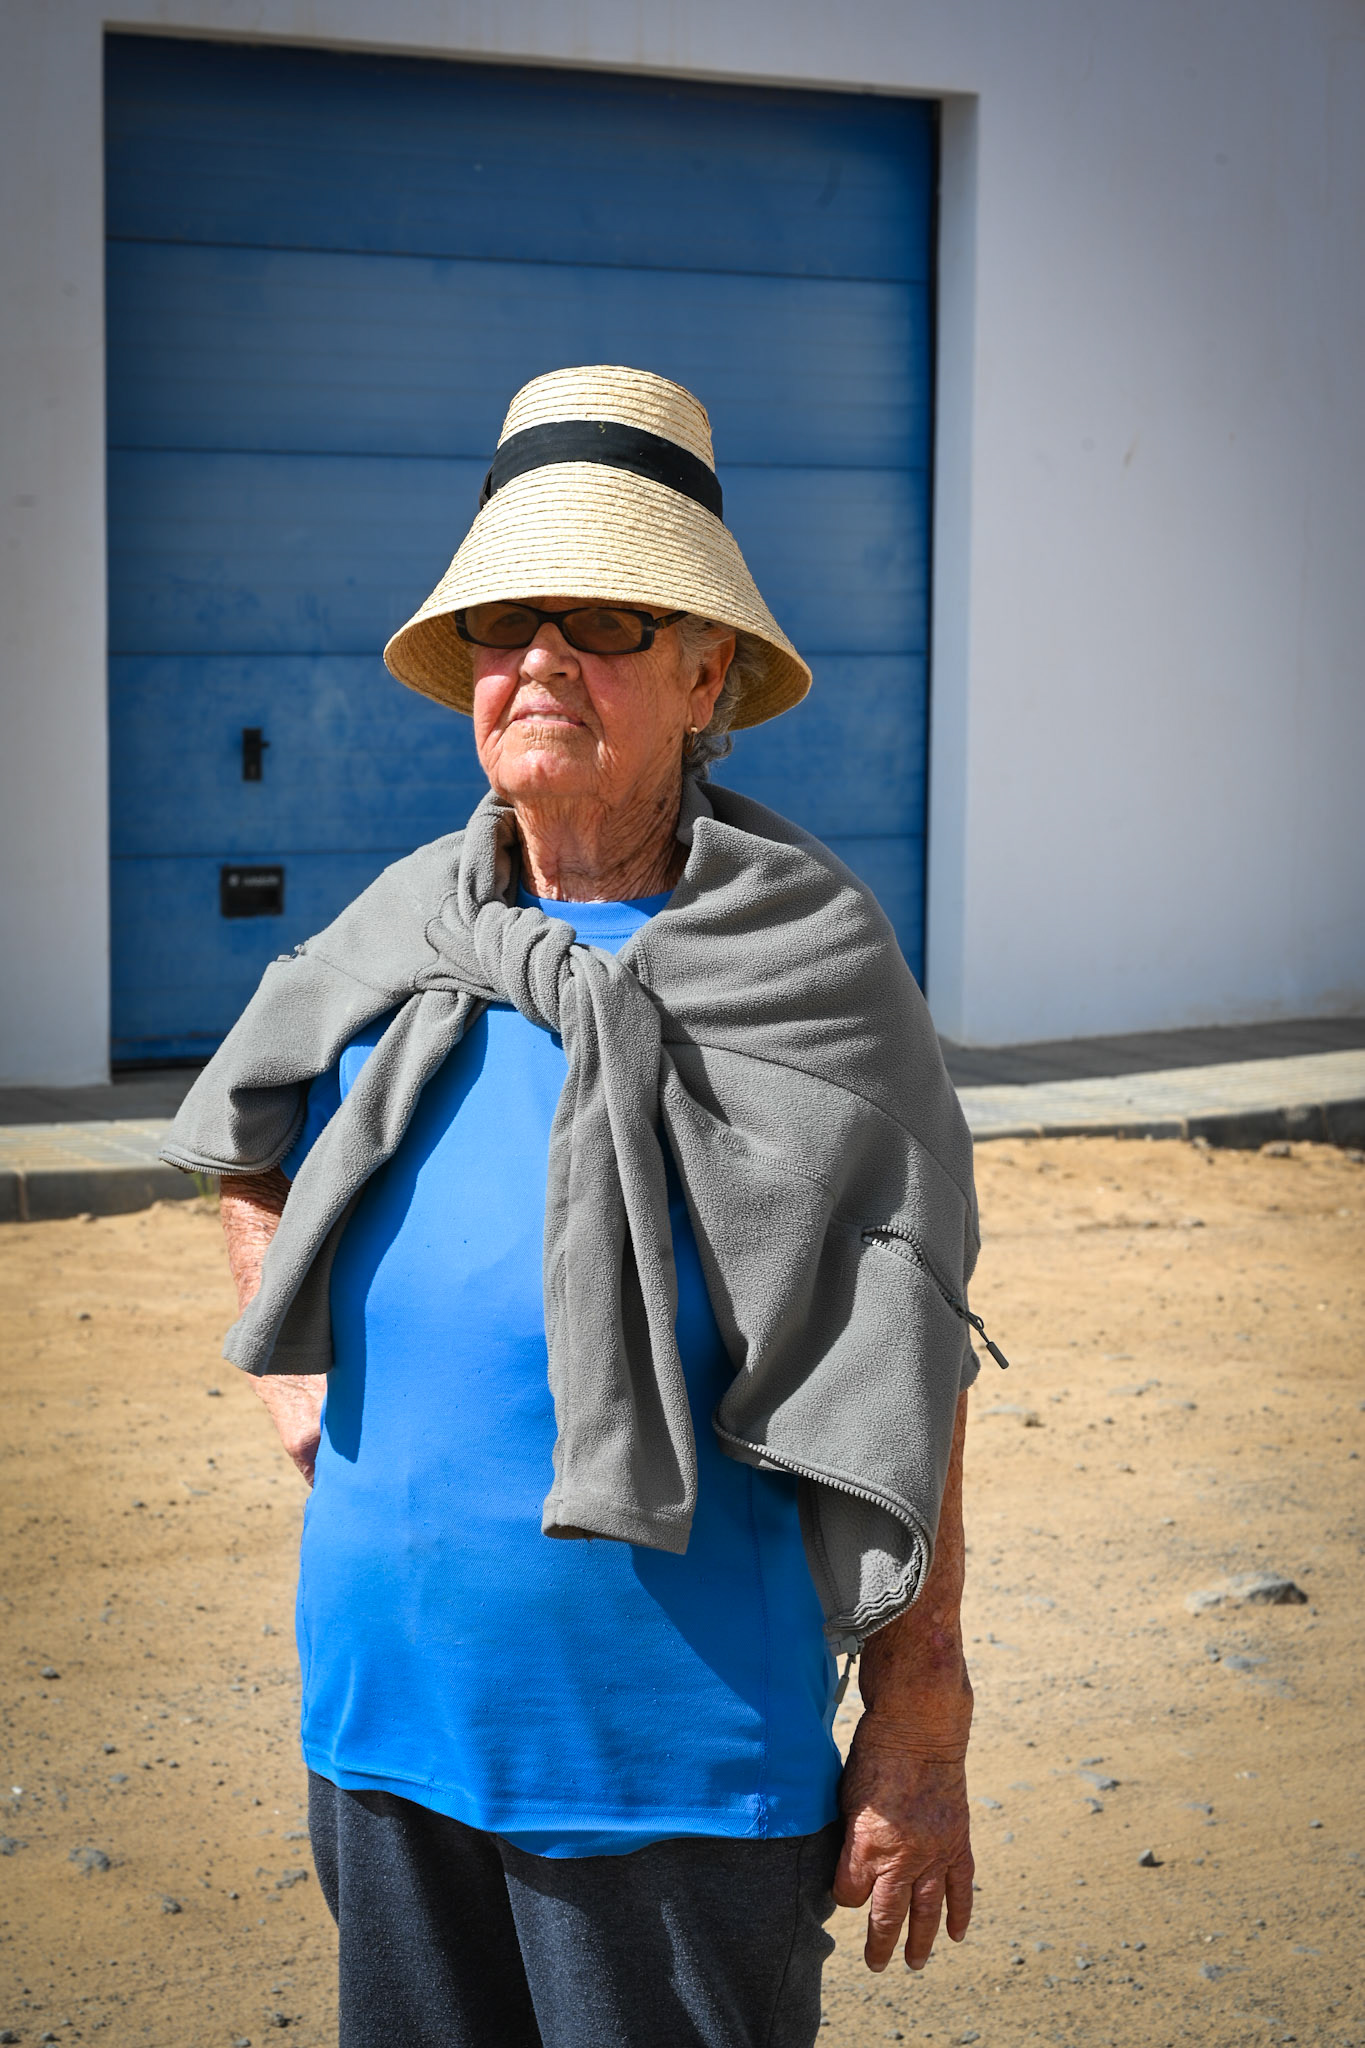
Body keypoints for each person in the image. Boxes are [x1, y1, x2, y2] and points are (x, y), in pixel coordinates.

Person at [164, 365, 992, 2048]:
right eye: (498, 625)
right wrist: (282, 1362)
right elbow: (243, 1134)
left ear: (705, 680)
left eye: (599, 619)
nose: (534, 658)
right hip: (384, 1722)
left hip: (671, 1761)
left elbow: (904, 1352)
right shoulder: (407, 926)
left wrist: (918, 1723)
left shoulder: (813, 972)